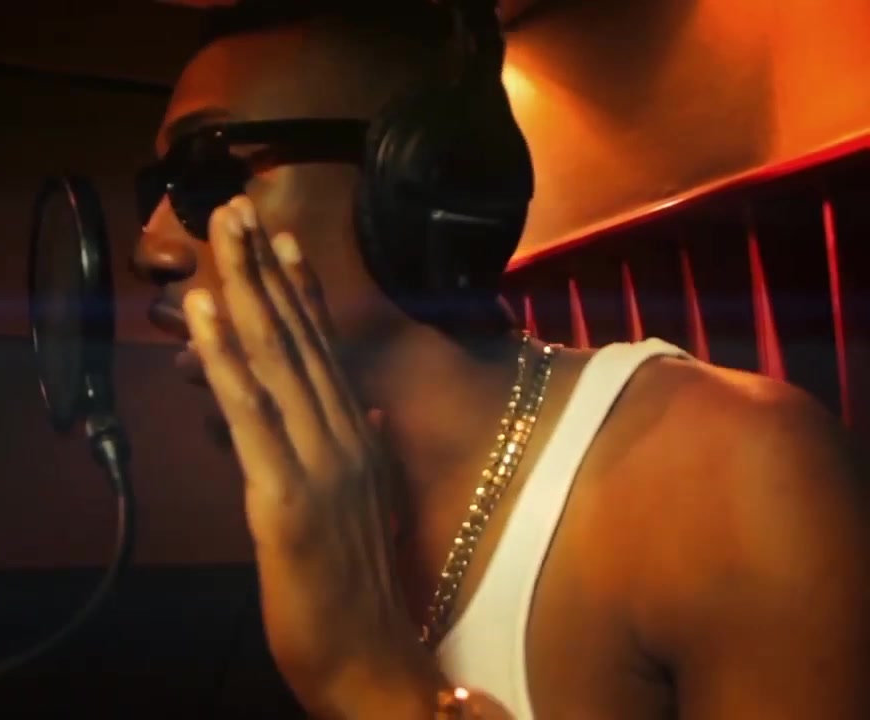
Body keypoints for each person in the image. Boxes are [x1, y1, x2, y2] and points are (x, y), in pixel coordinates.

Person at [130, 1, 869, 718]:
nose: (152, 247)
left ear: (419, 179)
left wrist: (373, 687)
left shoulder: (734, 473)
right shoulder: (319, 511)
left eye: (207, 172)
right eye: (154, 192)